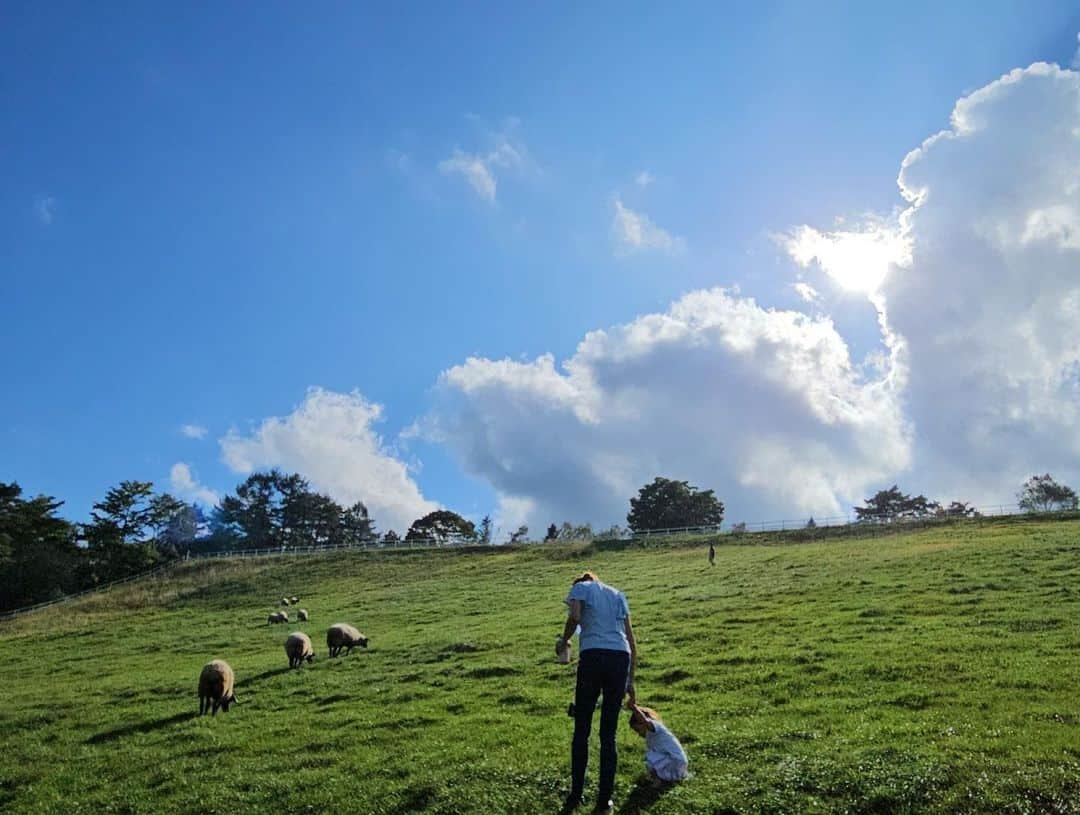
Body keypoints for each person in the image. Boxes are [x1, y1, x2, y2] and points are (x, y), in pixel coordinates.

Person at [556, 571, 637, 813]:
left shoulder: (580, 588)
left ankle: (576, 793)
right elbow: (631, 641)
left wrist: (563, 641)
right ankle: (604, 800)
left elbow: (575, 616)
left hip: (593, 656)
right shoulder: (617, 594)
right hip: (620, 658)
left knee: (582, 728)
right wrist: (630, 681)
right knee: (608, 733)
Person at [628, 703, 690, 783]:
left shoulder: (655, 727)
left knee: (651, 756)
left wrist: (634, 708)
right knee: (652, 755)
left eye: (638, 730)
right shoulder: (652, 733)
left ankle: (658, 779)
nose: (639, 733)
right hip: (677, 761)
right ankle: (668, 777)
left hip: (674, 760)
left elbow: (644, 721)